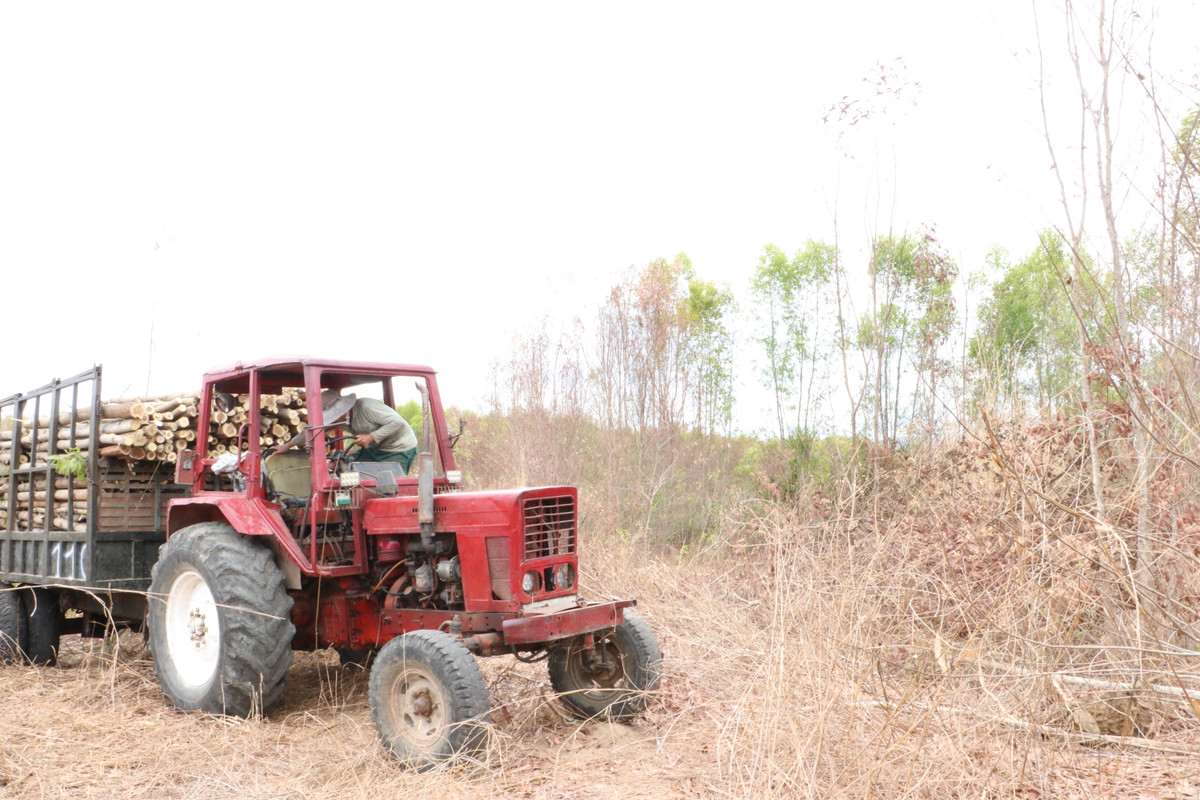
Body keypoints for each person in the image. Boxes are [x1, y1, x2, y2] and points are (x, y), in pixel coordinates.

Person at [273, 388, 420, 474]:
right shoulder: (340, 419)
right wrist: (286, 446)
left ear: (341, 410)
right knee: (346, 468)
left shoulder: (366, 407)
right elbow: (313, 430)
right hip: (376, 449)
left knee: (385, 486)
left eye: (331, 416)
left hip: (399, 449)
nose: (330, 421)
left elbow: (398, 423)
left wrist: (371, 437)